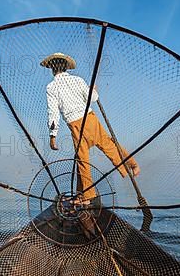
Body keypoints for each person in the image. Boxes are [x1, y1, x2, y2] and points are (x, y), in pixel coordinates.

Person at [41, 52, 140, 204]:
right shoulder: (78, 80)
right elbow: (93, 98)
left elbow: (53, 112)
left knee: (82, 160)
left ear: (52, 69)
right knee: (109, 145)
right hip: (90, 118)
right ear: (66, 67)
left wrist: (52, 136)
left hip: (75, 125)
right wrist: (92, 90)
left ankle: (86, 197)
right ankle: (132, 165)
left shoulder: (51, 87)